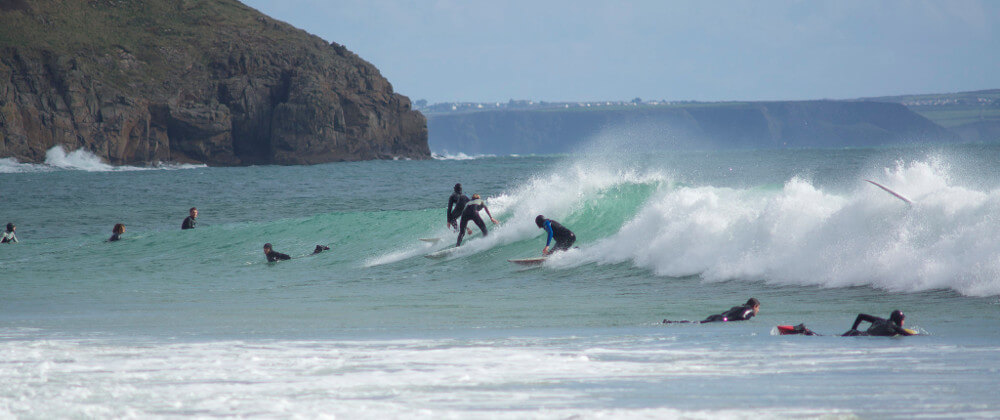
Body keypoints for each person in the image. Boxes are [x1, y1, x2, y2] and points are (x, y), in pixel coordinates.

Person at [663, 298, 760, 324]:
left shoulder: (737, 307)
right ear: (754, 306)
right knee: (696, 323)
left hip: (717, 316)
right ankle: (671, 322)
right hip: (721, 320)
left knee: (696, 322)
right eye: (758, 308)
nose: (758, 311)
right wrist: (744, 320)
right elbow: (743, 316)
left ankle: (671, 322)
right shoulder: (749, 310)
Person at [842, 310, 913, 336]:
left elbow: (861, 316)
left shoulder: (881, 320)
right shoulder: (894, 327)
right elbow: (908, 334)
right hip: (860, 336)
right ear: (899, 320)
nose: (903, 322)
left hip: (852, 332)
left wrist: (854, 329)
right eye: (903, 320)